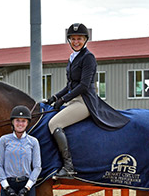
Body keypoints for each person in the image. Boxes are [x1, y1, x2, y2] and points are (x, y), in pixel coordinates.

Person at [46, 23, 129, 178]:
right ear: (69, 41)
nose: (76, 41)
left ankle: (69, 167)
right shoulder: (72, 58)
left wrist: (63, 99)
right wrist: (54, 97)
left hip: (85, 101)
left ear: (85, 40)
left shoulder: (88, 57)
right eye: (73, 39)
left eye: (79, 39)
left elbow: (84, 85)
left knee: (54, 124)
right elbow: (70, 85)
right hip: (74, 99)